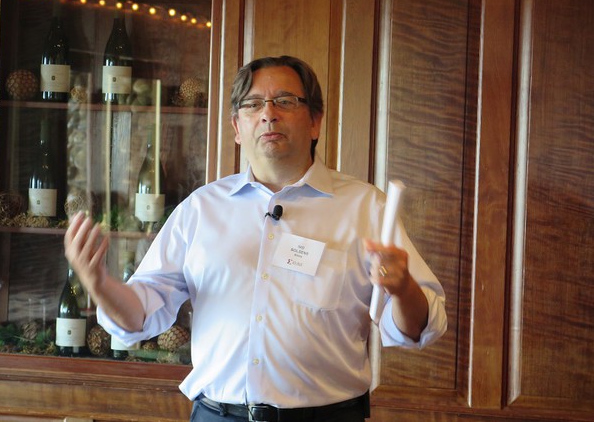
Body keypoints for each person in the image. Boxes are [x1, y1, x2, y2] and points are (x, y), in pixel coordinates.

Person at [64, 55, 447, 422]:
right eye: (252, 104)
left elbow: (420, 328)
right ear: (236, 127)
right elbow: (140, 315)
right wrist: (99, 284)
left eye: (285, 101)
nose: (268, 113)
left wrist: (403, 289)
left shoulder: (365, 207)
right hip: (217, 417)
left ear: (315, 121)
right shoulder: (201, 209)